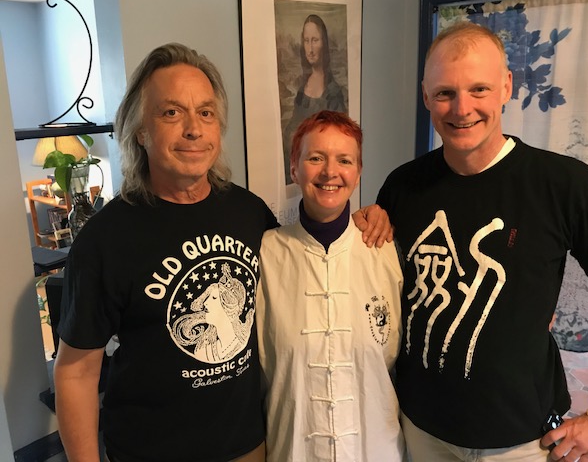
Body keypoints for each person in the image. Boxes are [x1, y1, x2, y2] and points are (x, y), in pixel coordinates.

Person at [53, 43, 391, 462]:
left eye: (206, 113)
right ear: (141, 131)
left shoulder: (249, 213)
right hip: (151, 450)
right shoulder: (105, 239)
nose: (193, 128)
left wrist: (368, 218)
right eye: (171, 112)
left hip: (249, 446)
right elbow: (75, 372)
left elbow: (310, 254)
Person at [376, 21, 588, 462]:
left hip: (523, 444)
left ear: (506, 87)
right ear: (425, 96)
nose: (461, 109)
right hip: (418, 429)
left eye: (478, 89)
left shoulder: (567, 185)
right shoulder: (402, 187)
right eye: (445, 93)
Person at [257, 110, 405, 461]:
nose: (329, 172)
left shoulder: (386, 250)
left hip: (376, 449)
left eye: (344, 160)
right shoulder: (264, 253)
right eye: (315, 157)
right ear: (294, 168)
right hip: (293, 449)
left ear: (358, 173)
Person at [282, 14, 347, 184]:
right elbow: (290, 130)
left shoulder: (333, 92)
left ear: (324, 43)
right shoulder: (302, 89)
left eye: (315, 40)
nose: (310, 48)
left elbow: (338, 145)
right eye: (306, 40)